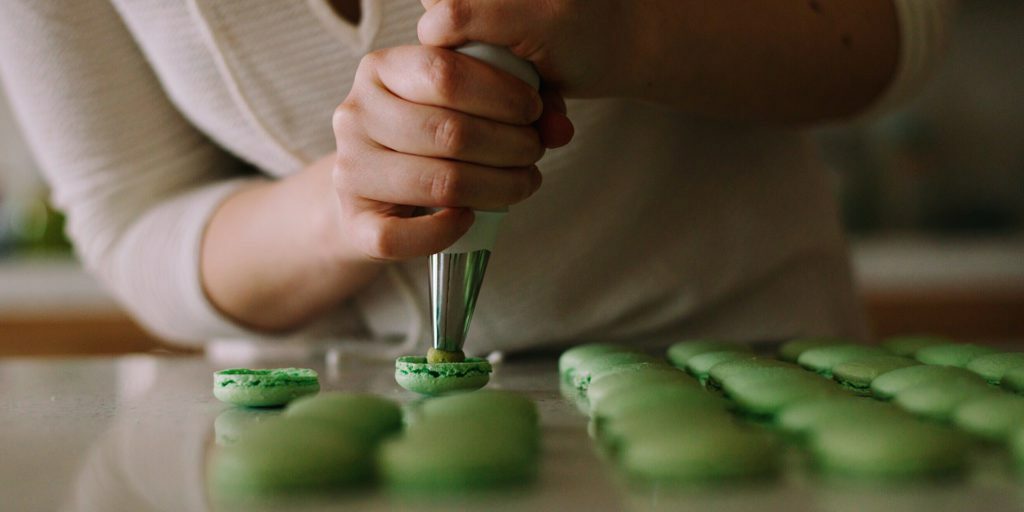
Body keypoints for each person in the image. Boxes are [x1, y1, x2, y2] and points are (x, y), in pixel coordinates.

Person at [0, 1, 955, 356]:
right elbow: (132, 222)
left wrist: (635, 31)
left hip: (737, 377)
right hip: (305, 442)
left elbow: (898, 30)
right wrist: (347, 206)